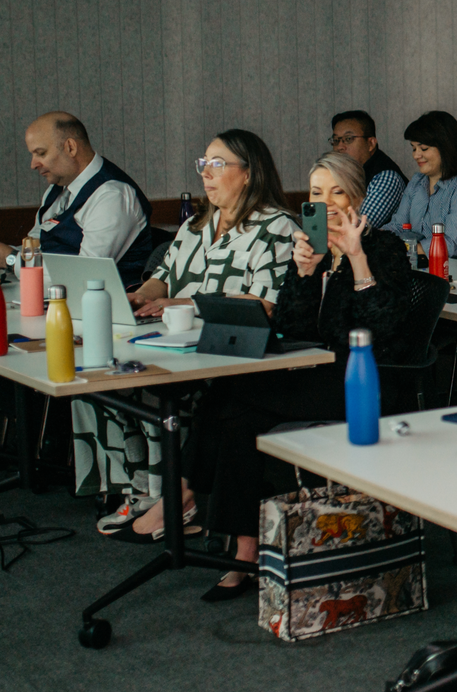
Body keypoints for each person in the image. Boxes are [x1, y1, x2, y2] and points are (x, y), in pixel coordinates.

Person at [183, 151, 421, 598]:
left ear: (358, 198)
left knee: (232, 389)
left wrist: (356, 259)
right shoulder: (312, 246)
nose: (326, 202)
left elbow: (379, 329)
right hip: (319, 373)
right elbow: (293, 328)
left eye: (337, 192)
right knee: (238, 414)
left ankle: (189, 496)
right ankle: (246, 549)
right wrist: (305, 273)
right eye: (316, 192)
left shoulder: (383, 246)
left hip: (370, 380)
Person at [84, 129, 299, 523]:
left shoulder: (277, 226)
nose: (206, 173)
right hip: (168, 335)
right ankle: (145, 488)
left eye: (218, 164)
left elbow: (265, 302)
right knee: (102, 378)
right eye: (204, 164)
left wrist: (180, 302)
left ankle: (176, 496)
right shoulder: (197, 225)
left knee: (156, 386)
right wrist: (140, 295)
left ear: (249, 173)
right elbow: (162, 277)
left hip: (223, 346)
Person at [0, 111, 151, 288]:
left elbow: (87, 275)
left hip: (106, 310)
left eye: (41, 153)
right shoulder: (56, 190)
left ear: (70, 147)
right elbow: (35, 243)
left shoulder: (111, 196)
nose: (33, 165)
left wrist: (9, 260)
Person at [388, 110, 457, 260]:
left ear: (446, 147)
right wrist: (372, 239)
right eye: (413, 148)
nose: (416, 155)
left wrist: (401, 249)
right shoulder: (417, 182)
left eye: (423, 149)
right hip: (418, 267)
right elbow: (397, 226)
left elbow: (449, 244)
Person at [330, 109, 406, 232]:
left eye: (348, 139)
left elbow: (358, 229)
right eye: (336, 140)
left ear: (370, 143)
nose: (340, 146)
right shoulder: (340, 175)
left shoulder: (386, 177)